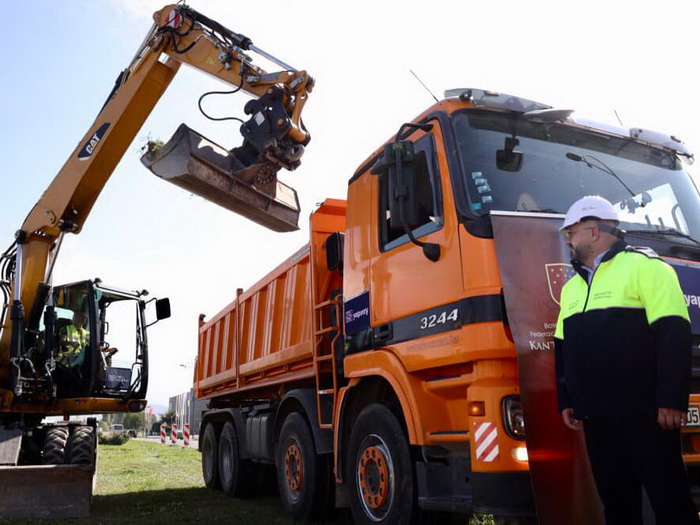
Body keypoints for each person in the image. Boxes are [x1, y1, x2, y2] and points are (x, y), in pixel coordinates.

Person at [553, 195, 699, 524]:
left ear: (593, 231)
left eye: (570, 233)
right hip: (596, 416)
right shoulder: (571, 287)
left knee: (670, 499)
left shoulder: (648, 268)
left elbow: (674, 335)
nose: (568, 241)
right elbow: (562, 346)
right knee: (617, 503)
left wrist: (671, 400)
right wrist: (567, 398)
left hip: (645, 413)